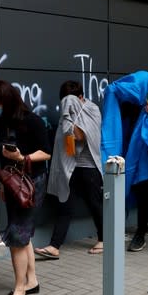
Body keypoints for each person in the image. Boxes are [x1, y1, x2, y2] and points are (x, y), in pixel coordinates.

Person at [0, 80, 51, 295]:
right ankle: (31, 280)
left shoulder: (32, 121)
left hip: (32, 183)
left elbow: (46, 153)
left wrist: (22, 158)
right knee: (22, 231)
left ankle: (20, 288)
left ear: (8, 101)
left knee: (17, 235)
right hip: (12, 182)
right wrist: (3, 185)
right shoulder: (4, 123)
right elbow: (3, 157)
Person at [99, 72, 148, 252]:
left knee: (143, 191)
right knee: (141, 190)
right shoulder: (138, 100)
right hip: (137, 155)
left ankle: (141, 233)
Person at [35, 81, 103, 259]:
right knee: (65, 205)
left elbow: (81, 136)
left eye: (71, 101)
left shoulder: (92, 109)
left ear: (81, 97)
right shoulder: (67, 114)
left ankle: (104, 239)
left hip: (89, 167)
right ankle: (54, 246)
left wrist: (70, 114)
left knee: (94, 204)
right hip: (70, 167)